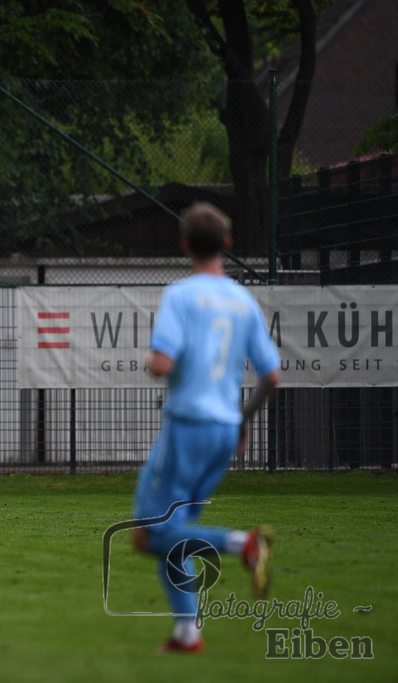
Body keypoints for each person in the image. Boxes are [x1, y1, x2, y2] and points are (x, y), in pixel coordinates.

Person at [130, 202, 281, 653]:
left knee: (149, 533)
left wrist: (148, 360)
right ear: (227, 244)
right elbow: (272, 375)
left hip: (187, 427)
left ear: (184, 246)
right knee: (175, 532)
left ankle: (244, 544)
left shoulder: (181, 295)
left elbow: (162, 364)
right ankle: (187, 634)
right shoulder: (242, 299)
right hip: (223, 429)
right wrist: (243, 420)